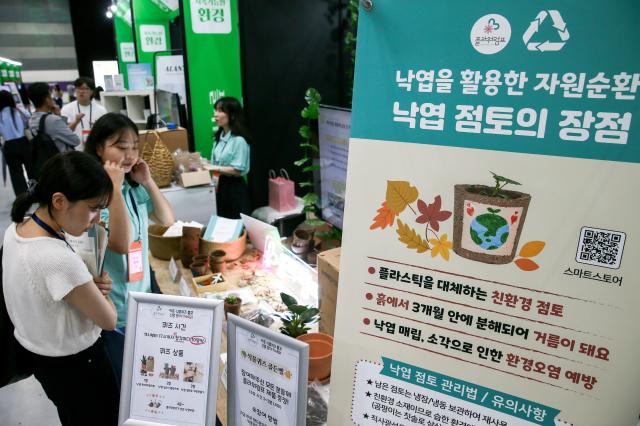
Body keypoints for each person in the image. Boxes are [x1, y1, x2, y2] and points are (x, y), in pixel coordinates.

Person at [3, 151, 121, 425]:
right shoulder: (57, 259)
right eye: (93, 207)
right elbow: (109, 320)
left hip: (43, 360)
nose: (96, 218)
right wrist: (102, 293)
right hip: (80, 365)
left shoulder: (16, 230)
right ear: (59, 200)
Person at [85, 112, 175, 385]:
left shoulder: (132, 189)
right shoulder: (94, 194)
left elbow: (168, 220)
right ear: (99, 148)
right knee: (131, 381)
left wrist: (147, 180)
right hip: (118, 311)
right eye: (120, 147)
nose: (129, 154)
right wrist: (114, 185)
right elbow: (121, 245)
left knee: (150, 376)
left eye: (134, 146)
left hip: (144, 299)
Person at [210, 96, 251, 219]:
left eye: (220, 111)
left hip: (234, 189)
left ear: (232, 115)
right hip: (220, 186)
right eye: (215, 110)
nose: (216, 114)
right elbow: (218, 162)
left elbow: (237, 170)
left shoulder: (239, 140)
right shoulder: (219, 137)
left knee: (236, 226)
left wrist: (212, 167)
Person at [27, 82, 80, 153]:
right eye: (50, 95)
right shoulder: (52, 120)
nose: (52, 98)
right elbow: (75, 141)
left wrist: (57, 115)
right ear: (47, 99)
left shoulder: (31, 119)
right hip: (62, 159)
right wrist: (59, 116)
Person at [0, 90, 33, 196]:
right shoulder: (18, 111)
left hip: (9, 145)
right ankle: (35, 193)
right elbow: (28, 119)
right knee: (31, 170)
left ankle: (22, 197)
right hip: (23, 142)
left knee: (16, 174)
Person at [61, 77, 107, 147]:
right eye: (78, 88)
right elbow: (64, 133)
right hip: (74, 149)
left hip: (94, 148)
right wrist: (76, 122)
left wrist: (97, 128)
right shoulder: (66, 109)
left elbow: (105, 132)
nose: (81, 91)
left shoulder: (101, 110)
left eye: (85, 89)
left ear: (91, 91)